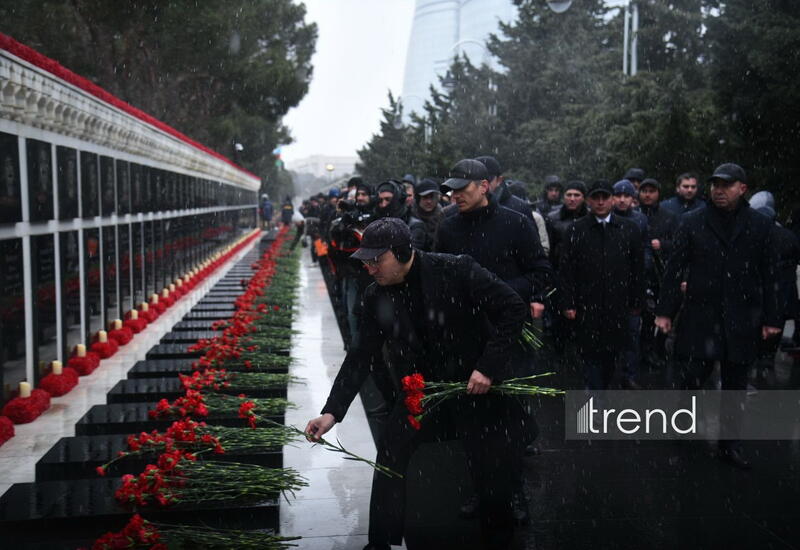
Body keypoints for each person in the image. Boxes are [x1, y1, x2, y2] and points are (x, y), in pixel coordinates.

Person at [305, 218, 532, 550]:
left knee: (490, 472)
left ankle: (498, 540)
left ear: (402, 252)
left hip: (474, 386)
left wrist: (487, 368)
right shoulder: (375, 294)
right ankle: (380, 542)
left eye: (375, 260)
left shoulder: (457, 270)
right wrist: (332, 412)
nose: (369, 268)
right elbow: (360, 355)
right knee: (390, 455)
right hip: (421, 391)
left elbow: (513, 307)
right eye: (364, 261)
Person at [655, 163, 781, 469]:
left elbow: (771, 275)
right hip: (700, 316)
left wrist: (773, 317)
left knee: (735, 387)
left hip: (742, 318)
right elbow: (674, 271)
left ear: (742, 188)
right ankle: (684, 436)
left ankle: (730, 445)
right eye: (715, 185)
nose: (719, 190)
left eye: (726, 185)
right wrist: (664, 312)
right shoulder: (692, 222)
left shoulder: (760, 225)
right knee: (690, 382)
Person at [559, 180, 645, 390]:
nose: (600, 202)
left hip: (618, 303)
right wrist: (567, 302)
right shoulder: (576, 229)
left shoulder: (629, 229)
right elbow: (566, 270)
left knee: (611, 353)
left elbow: (637, 269)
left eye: (604, 198)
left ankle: (602, 390)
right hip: (587, 302)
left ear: (612, 200)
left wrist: (637, 301)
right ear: (588, 201)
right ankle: (594, 396)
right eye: (595, 198)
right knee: (590, 353)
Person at [612, 179, 650, 388]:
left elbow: (646, 250)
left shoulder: (640, 221)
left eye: (626, 196)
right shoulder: (606, 219)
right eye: (618, 195)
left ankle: (629, 373)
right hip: (609, 285)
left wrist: (639, 266)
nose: (622, 200)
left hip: (632, 284)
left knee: (632, 332)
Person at [637, 178, 678, 366]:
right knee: (644, 316)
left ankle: (657, 349)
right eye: (644, 190)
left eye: (651, 191)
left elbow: (678, 243)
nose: (647, 194)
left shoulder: (669, 217)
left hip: (660, 272)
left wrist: (662, 245)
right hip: (639, 272)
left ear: (658, 193)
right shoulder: (634, 215)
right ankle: (643, 351)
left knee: (660, 314)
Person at [373, 179, 427, 249]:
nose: (384, 204)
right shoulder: (376, 222)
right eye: (380, 200)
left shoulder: (414, 226)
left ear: (398, 199)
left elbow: (409, 255)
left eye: (388, 199)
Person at [410, 177, 443, 251]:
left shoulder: (443, 216)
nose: (429, 201)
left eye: (432, 197)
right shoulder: (408, 216)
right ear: (418, 198)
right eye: (425, 197)